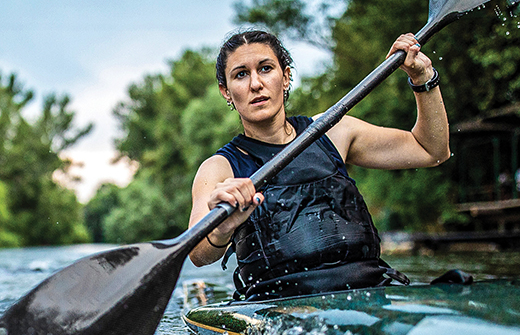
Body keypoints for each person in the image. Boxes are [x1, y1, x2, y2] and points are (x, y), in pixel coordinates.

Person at [188, 29, 449, 300]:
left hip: (370, 293)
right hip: (280, 311)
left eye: (266, 69)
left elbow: (431, 150)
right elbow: (197, 253)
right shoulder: (219, 168)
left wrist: (423, 78)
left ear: (286, 77)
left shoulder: (332, 131)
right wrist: (221, 228)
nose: (255, 83)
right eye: (241, 74)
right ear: (226, 91)